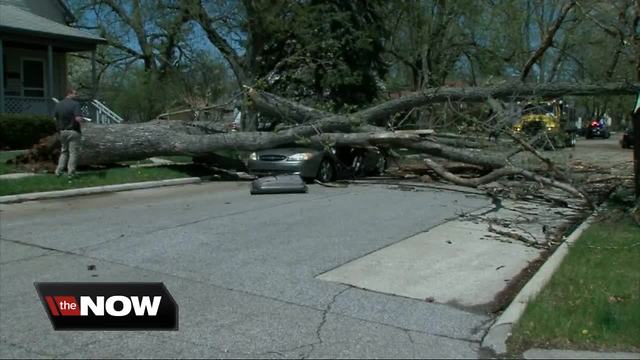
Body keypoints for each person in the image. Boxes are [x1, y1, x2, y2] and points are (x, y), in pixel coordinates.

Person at [54, 88, 83, 178]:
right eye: (75, 93)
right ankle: (71, 173)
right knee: (73, 153)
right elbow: (77, 118)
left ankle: (59, 171)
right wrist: (82, 120)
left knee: (64, 152)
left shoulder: (58, 104)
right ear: (70, 93)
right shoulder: (75, 104)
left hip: (62, 131)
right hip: (73, 131)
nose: (76, 95)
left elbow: (55, 118)